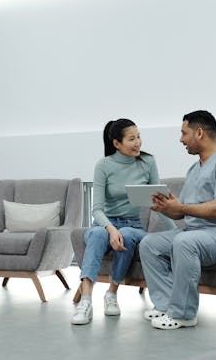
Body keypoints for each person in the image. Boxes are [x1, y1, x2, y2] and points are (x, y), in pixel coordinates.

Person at [139, 110, 216, 330]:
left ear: (199, 133)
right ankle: (165, 305)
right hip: (195, 232)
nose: (181, 139)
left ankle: (183, 314)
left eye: (184, 133)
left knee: (184, 242)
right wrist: (165, 208)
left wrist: (181, 207)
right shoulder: (194, 168)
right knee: (149, 244)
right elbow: (184, 212)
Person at [71, 118, 172, 325]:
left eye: (139, 136)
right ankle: (86, 301)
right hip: (104, 223)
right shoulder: (104, 166)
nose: (138, 143)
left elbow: (159, 203)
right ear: (116, 144)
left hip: (133, 226)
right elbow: (97, 209)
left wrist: (176, 232)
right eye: (132, 139)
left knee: (126, 234)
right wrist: (110, 229)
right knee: (98, 234)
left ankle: (111, 294)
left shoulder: (148, 163)